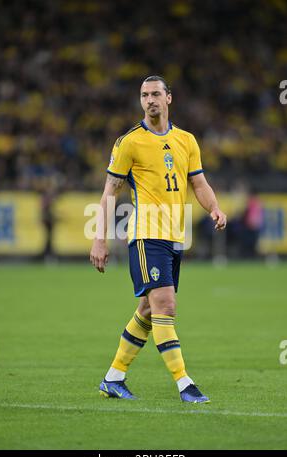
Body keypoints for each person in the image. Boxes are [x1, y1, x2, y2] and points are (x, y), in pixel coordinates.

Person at [90, 76, 227, 403]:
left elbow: (200, 184)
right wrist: (99, 239)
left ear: (169, 98)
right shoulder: (129, 142)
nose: (149, 100)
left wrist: (215, 207)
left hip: (175, 236)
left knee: (150, 310)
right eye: (144, 95)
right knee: (165, 304)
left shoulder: (187, 140)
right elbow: (110, 191)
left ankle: (113, 377)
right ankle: (185, 384)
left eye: (155, 94)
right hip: (145, 234)